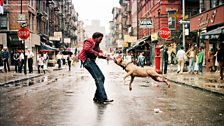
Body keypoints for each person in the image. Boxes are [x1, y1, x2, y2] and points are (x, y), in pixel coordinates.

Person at [78, 32, 113, 104]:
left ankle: (97, 97)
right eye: (100, 39)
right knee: (98, 78)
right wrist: (97, 53)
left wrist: (107, 57)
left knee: (102, 78)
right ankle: (103, 98)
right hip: (87, 61)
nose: (101, 40)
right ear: (96, 38)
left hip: (91, 61)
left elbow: (100, 54)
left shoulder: (97, 45)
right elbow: (86, 49)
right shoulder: (89, 41)